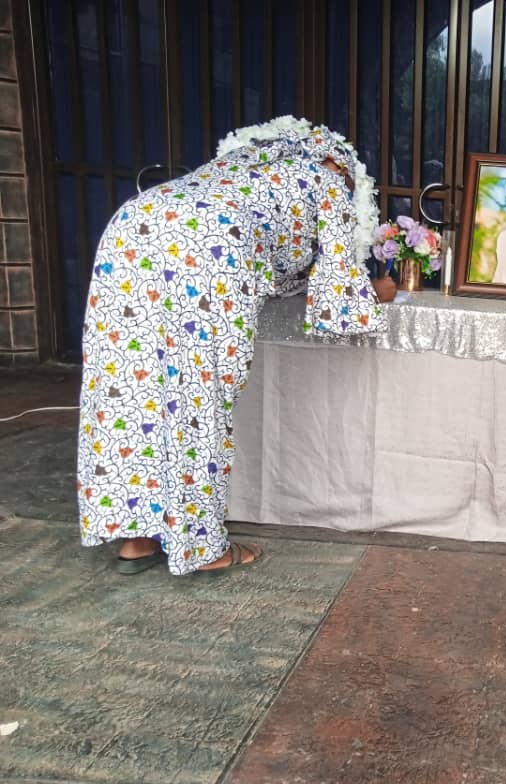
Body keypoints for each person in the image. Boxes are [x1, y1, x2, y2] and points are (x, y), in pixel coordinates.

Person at [77, 116, 396, 576]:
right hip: (207, 242)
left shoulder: (235, 164)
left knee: (125, 386)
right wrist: (376, 293)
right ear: (339, 161)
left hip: (131, 223)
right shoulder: (328, 179)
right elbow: (336, 299)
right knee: (197, 394)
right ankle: (205, 549)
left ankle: (135, 538)